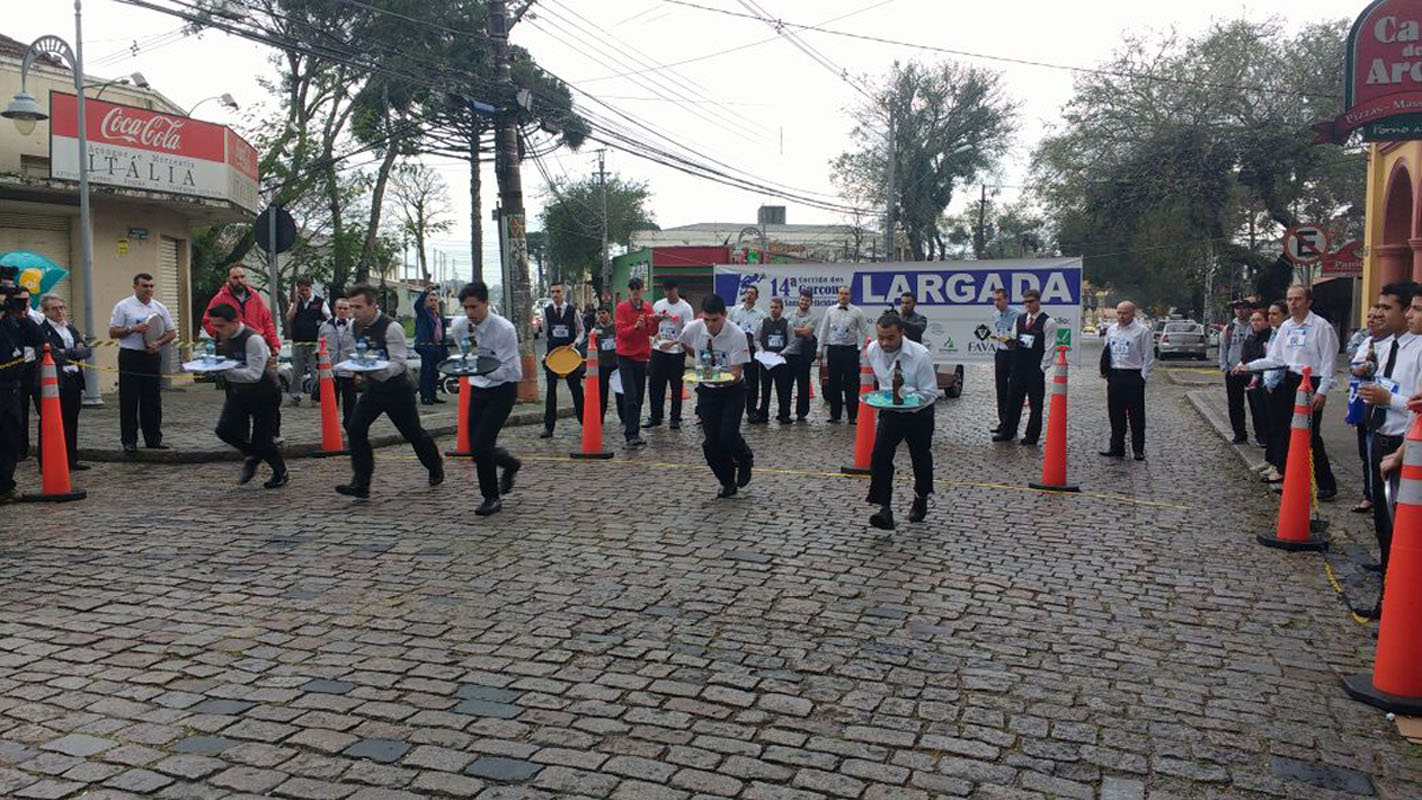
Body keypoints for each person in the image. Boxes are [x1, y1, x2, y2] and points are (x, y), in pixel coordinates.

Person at [336, 285, 443, 499]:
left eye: (359, 307)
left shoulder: (391, 327)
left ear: (373, 305)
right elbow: (354, 354)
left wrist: (376, 368)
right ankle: (361, 482)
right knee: (355, 428)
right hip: (374, 389)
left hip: (397, 389)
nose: (354, 311)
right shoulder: (352, 326)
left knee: (412, 432)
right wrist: (357, 368)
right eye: (352, 307)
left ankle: (435, 466)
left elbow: (399, 363)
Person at [1354, 284, 1422, 619]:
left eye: (1387, 307)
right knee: (1384, 525)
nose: (1379, 313)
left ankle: (1401, 603)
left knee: (1403, 529)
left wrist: (1388, 400)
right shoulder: (1386, 346)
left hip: (1405, 444)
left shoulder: (1419, 348)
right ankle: (1388, 595)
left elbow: (1414, 403)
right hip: (1381, 437)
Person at [1234, 285, 1338, 501]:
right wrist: (1249, 366)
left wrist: (1322, 391)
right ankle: (1291, 477)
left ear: (1308, 302)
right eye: (1290, 299)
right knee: (1285, 431)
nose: (1292, 303)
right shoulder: (1287, 327)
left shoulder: (1321, 327)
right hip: (1290, 380)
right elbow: (1276, 358)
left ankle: (1324, 483)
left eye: (1298, 299)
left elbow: (1329, 363)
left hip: (1312, 381)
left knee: (1309, 434)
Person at [864, 311, 939, 531]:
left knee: (920, 457)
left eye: (890, 338)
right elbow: (879, 384)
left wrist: (908, 398)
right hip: (890, 411)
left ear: (901, 333)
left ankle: (921, 496)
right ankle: (884, 508)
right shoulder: (873, 350)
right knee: (879, 456)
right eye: (881, 337)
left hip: (919, 413)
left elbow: (930, 392)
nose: (885, 343)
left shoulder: (920, 355)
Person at [458, 281, 524, 516]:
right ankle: (509, 463)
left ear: (486, 303)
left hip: (502, 388)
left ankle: (491, 497)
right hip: (478, 387)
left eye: (474, 307)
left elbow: (511, 370)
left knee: (482, 443)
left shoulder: (504, 329)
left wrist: (483, 369)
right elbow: (463, 356)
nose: (469, 313)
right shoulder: (460, 326)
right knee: (474, 447)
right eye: (465, 307)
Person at [679, 293, 752, 497]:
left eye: (715, 320)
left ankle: (744, 457)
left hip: (732, 391)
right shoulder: (693, 329)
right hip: (707, 391)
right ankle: (727, 481)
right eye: (706, 320)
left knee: (727, 435)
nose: (710, 325)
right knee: (711, 444)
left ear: (724, 315)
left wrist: (722, 378)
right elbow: (682, 341)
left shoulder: (737, 335)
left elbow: (737, 373)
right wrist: (699, 361)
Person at [208, 303, 288, 489]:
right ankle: (252, 455)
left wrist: (226, 372)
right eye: (214, 326)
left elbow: (254, 374)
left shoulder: (253, 340)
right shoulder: (223, 338)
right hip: (241, 391)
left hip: (265, 393)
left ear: (235, 321)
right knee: (224, 430)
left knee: (263, 439)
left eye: (221, 326)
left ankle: (280, 472)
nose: (217, 330)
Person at [108, 273, 176, 454]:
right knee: (129, 399)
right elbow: (113, 332)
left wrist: (158, 343)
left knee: (152, 398)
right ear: (135, 286)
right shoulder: (124, 306)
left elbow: (171, 332)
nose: (149, 290)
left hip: (151, 355)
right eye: (145, 286)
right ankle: (129, 441)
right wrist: (132, 329)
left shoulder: (159, 307)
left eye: (152, 286)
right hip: (130, 355)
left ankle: (153, 438)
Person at [995, 289, 1057, 445]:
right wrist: (1009, 343)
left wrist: (1043, 367)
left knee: (1035, 403)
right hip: (1018, 365)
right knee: (1013, 400)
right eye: (1025, 302)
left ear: (1038, 302)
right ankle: (1008, 431)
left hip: (1035, 367)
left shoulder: (1048, 322)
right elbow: (1016, 338)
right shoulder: (1021, 319)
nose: (1028, 305)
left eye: (1031, 301)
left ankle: (1032, 435)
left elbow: (1050, 347)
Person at [36, 294, 91, 472]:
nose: (60, 311)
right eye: (54, 308)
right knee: (51, 420)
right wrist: (73, 351)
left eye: (62, 307)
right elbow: (53, 354)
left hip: (73, 379)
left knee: (71, 420)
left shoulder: (70, 328)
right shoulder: (42, 330)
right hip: (55, 381)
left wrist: (69, 352)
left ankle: (71, 459)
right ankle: (46, 461)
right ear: (45, 311)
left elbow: (86, 351)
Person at [1098, 300, 1154, 460]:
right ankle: (1116, 446)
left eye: (1125, 313)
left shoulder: (1142, 332)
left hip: (1133, 375)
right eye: (1119, 313)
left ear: (1133, 313)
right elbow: (1107, 351)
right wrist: (1106, 370)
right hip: (1115, 375)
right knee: (1115, 413)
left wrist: (1143, 377)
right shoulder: (1112, 330)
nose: (1121, 316)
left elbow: (1148, 357)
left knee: (1136, 415)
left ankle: (1138, 449)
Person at [1348, 305, 1389, 514]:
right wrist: (1357, 369)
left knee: (1379, 452)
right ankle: (1368, 493)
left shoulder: (1390, 344)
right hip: (1362, 399)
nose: (1372, 321)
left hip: (1383, 403)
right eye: (1370, 317)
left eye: (1378, 317)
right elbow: (1351, 363)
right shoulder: (1365, 340)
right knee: (1365, 452)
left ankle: (1380, 496)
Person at [817, 285, 870, 424]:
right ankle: (835, 415)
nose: (843, 296)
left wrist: (862, 348)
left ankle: (853, 416)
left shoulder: (857, 312)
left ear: (850, 295)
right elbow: (823, 330)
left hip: (850, 350)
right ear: (837, 295)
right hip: (834, 349)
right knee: (833, 383)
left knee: (851, 384)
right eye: (841, 293)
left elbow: (865, 332)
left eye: (846, 293)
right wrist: (819, 348)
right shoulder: (830, 310)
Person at [647, 279, 695, 430]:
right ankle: (655, 416)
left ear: (676, 290)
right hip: (659, 349)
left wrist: (674, 343)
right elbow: (653, 324)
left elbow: (687, 332)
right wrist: (655, 332)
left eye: (671, 290)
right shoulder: (659, 304)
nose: (668, 294)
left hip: (676, 351)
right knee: (655, 385)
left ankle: (675, 417)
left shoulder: (685, 308)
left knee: (676, 385)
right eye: (665, 291)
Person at [540, 282, 585, 438]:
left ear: (563, 293)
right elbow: (545, 332)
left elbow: (581, 331)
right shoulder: (546, 312)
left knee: (576, 389)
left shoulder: (573, 311)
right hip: (553, 356)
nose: (555, 294)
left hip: (569, 355)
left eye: (558, 291)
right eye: (552, 292)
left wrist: (576, 343)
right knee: (550, 391)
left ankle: (585, 421)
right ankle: (548, 426)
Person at [615, 277, 657, 447]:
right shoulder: (622, 308)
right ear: (629, 291)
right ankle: (630, 433)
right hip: (625, 357)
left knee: (639, 397)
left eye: (638, 288)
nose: (635, 292)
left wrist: (655, 322)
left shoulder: (647, 308)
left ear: (642, 290)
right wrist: (635, 327)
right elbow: (621, 332)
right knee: (630, 396)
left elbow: (652, 332)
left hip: (641, 357)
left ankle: (635, 431)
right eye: (633, 288)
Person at [202, 266, 280, 354]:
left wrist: (274, 344)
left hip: (255, 343)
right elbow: (207, 320)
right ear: (228, 279)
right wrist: (220, 335)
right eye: (235, 278)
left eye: (242, 277)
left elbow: (267, 322)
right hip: (231, 346)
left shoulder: (255, 297)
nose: (239, 280)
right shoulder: (219, 299)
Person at [0, 281, 30, 502]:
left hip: (11, 388)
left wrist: (20, 314)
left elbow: (36, 337)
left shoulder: (12, 322)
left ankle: (5, 486)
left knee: (10, 438)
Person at [6, 289, 44, 460]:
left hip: (34, 368)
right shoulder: (8, 320)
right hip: (15, 369)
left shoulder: (36, 318)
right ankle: (21, 448)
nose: (24, 303)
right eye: (19, 300)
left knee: (41, 408)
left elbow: (40, 338)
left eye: (26, 300)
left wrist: (24, 317)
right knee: (19, 412)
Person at [284, 277, 330, 406]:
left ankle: (315, 397)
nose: (304, 292)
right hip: (298, 342)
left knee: (315, 372)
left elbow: (328, 317)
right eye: (301, 290)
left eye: (306, 289)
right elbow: (288, 318)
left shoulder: (320, 302)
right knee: (297, 371)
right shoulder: (296, 303)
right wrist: (296, 304)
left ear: (310, 288)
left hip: (314, 343)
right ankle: (295, 396)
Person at [318, 297, 359, 429]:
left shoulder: (356, 326)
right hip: (331, 370)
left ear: (350, 310)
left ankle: (350, 427)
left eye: (345, 308)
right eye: (339, 308)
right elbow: (320, 347)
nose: (342, 311)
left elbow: (360, 349)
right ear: (335, 309)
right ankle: (331, 427)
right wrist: (321, 368)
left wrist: (359, 372)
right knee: (330, 401)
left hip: (349, 369)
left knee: (350, 402)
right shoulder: (325, 326)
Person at [729, 287, 767, 423]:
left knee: (752, 381)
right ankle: (731, 408)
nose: (749, 295)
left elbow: (762, 334)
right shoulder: (734, 311)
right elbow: (728, 327)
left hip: (751, 349)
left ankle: (751, 410)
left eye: (752, 294)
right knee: (733, 377)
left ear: (756, 297)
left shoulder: (761, 314)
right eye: (747, 293)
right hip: (736, 348)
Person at [783, 287, 820, 423]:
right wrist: (800, 330)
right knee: (786, 386)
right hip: (789, 355)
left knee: (803, 386)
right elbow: (783, 329)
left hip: (803, 356)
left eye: (807, 300)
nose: (804, 302)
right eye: (802, 299)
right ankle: (784, 412)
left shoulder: (813, 317)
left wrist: (792, 330)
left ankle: (802, 413)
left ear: (811, 302)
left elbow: (807, 332)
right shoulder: (789, 315)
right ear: (798, 300)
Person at [1220, 300, 1254, 444]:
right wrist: (1225, 368)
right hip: (1233, 370)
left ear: (1249, 310)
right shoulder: (1229, 328)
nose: (1240, 311)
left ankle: (1261, 434)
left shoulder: (1254, 326)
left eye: (1243, 308)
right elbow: (1223, 348)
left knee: (1256, 403)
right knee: (1235, 404)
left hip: (1252, 370)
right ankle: (1239, 433)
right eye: (1237, 309)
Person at [989, 289, 1021, 435]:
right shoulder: (996, 315)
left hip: (1014, 354)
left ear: (1006, 299)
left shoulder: (1017, 314)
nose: (997, 303)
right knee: (1000, 388)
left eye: (999, 299)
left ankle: (1011, 425)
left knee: (1012, 390)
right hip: (1001, 352)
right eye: (994, 300)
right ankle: (1003, 422)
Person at [1241, 307, 1273, 452]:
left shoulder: (1272, 338)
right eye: (1253, 320)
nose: (1255, 323)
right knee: (1255, 409)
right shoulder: (1250, 339)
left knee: (1268, 411)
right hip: (1252, 379)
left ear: (1267, 322)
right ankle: (1260, 436)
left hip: (1268, 380)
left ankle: (1269, 438)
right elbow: (1245, 358)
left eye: (1259, 320)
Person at [756, 297, 792, 423]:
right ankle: (763, 414)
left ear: (781, 309)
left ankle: (784, 414)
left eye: (776, 307)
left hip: (780, 361)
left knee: (782, 389)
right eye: (771, 307)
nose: (773, 310)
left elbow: (791, 343)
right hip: (766, 361)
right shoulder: (763, 322)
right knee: (765, 388)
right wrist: (760, 350)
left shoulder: (787, 324)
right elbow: (756, 339)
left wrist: (783, 352)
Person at [414, 288, 449, 406]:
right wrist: (424, 293)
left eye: (435, 300)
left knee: (435, 373)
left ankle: (433, 395)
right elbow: (417, 306)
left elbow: (442, 334)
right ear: (426, 302)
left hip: (437, 347)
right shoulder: (424, 313)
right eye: (431, 300)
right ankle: (425, 396)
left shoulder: (439, 317)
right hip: (426, 346)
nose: (433, 302)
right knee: (427, 372)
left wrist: (444, 350)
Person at [591, 305, 622, 425]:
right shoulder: (596, 330)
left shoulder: (616, 328)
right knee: (602, 393)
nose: (601, 316)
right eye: (599, 314)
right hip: (602, 364)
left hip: (616, 363)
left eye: (603, 313)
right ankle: (600, 417)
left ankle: (623, 417)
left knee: (620, 391)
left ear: (609, 314)